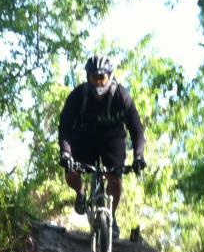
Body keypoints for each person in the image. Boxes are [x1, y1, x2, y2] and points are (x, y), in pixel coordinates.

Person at [58, 54, 146, 239]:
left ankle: (110, 216)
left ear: (109, 76)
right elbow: (65, 127)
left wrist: (138, 157)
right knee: (71, 170)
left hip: (112, 140)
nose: (98, 83)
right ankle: (80, 194)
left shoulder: (121, 96)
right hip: (85, 137)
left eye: (102, 78)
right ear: (88, 77)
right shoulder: (78, 96)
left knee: (115, 179)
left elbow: (136, 129)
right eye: (94, 78)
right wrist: (66, 153)